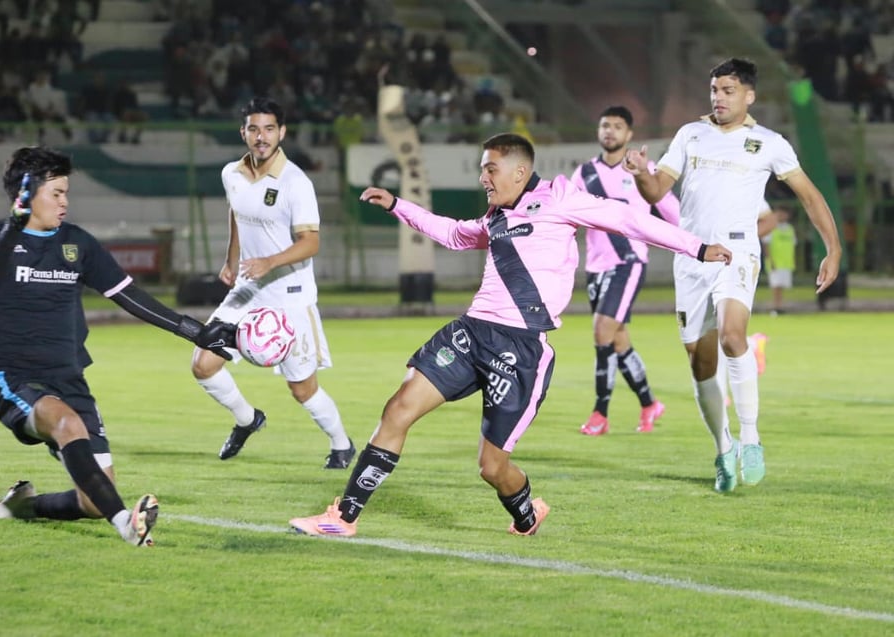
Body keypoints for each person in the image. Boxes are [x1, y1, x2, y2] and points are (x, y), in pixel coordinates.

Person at [289, 133, 731, 538]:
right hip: (472, 332)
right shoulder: (496, 215)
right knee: (398, 409)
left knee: (492, 467)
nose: (483, 178)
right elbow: (455, 234)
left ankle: (526, 513)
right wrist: (397, 205)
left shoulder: (560, 198)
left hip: (521, 350)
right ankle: (343, 517)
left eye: (490, 169)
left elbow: (629, 219)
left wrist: (696, 247)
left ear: (520, 171)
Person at [0, 146, 235, 546]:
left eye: (66, 193)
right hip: (18, 380)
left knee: (93, 501)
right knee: (66, 424)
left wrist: (196, 331)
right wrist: (14, 225)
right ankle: (126, 524)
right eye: (56, 193)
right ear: (26, 194)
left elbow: (129, 296)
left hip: (70, 380)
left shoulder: (77, 243)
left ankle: (21, 506)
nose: (65, 202)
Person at [623, 58, 841, 493]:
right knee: (700, 363)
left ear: (749, 96)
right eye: (714, 90)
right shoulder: (690, 134)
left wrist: (832, 249)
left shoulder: (769, 143)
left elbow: (810, 197)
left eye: (728, 90)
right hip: (692, 256)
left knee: (732, 335)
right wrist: (641, 173)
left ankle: (751, 438)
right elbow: (656, 191)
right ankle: (724, 448)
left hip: (738, 252)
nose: (718, 98)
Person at [190, 97, 356, 469]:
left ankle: (342, 444)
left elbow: (311, 242)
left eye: (268, 129)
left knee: (302, 389)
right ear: (243, 132)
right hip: (248, 291)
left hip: (290, 296)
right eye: (254, 129)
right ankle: (248, 419)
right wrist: (231, 259)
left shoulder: (296, 183)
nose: (261, 137)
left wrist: (269, 261)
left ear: (281, 132)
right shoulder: (231, 173)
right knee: (203, 363)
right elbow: (236, 213)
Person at [570, 105, 679, 436]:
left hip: (629, 262)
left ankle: (600, 413)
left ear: (629, 134)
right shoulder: (584, 174)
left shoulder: (643, 169)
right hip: (595, 267)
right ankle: (649, 404)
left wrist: (695, 245)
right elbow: (568, 217)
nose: (610, 131)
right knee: (618, 340)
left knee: (602, 330)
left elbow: (673, 213)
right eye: (605, 125)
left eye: (618, 126)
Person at [763, 206, 797, 315]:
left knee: (782, 286)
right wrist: (770, 260)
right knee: (775, 285)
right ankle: (775, 306)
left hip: (786, 263)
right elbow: (766, 244)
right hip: (775, 262)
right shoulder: (771, 227)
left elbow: (793, 245)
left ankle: (780, 306)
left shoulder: (790, 228)